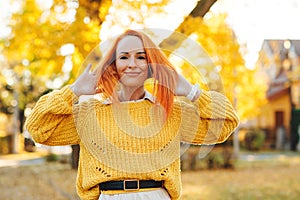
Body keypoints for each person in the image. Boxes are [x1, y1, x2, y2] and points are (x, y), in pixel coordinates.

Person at [25, 29, 239, 200]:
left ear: (151, 65)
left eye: (141, 57)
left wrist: (191, 91)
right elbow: (38, 128)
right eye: (124, 57)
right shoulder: (90, 113)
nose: (132, 64)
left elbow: (227, 123)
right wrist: (73, 90)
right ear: (114, 65)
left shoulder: (169, 112)